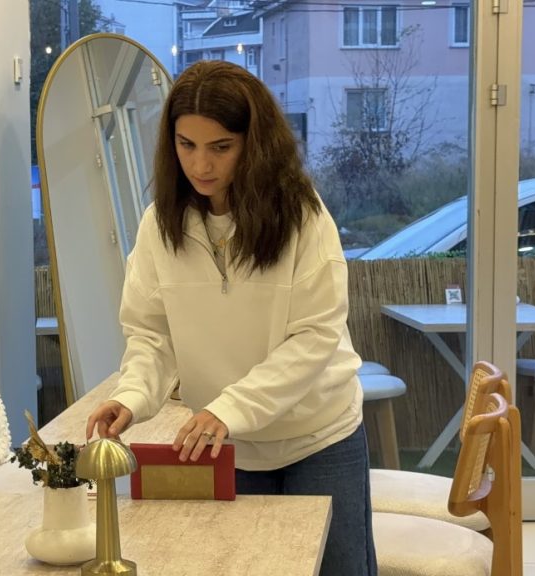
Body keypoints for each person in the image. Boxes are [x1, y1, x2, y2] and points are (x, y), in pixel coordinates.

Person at [85, 60, 377, 575]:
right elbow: (151, 334)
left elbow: (315, 336)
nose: (201, 165)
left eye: (221, 147)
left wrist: (228, 409)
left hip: (319, 436)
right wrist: (131, 396)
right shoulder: (159, 226)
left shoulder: (304, 217)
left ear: (254, 144)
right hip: (231, 445)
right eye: (186, 144)